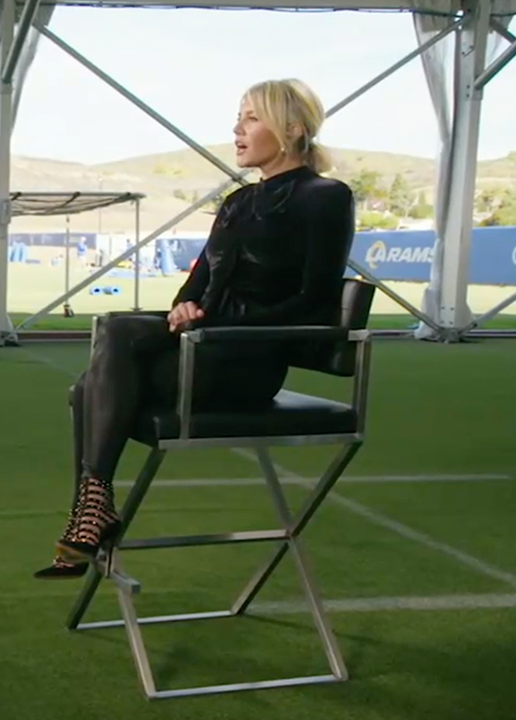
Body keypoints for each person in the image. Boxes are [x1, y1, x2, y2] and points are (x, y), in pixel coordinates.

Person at [33, 79, 355, 579]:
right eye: (239, 117)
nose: (237, 128)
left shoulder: (327, 198)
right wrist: (185, 308)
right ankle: (93, 508)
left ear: (292, 129)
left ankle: (91, 513)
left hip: (249, 362)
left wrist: (218, 327)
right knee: (112, 336)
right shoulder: (237, 202)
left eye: (251, 117)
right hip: (203, 348)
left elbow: (313, 303)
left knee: (90, 385)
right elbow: (197, 283)